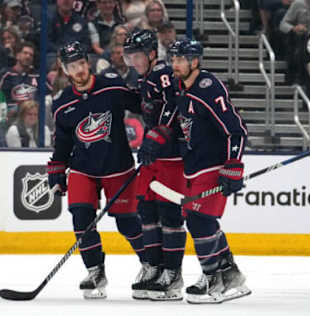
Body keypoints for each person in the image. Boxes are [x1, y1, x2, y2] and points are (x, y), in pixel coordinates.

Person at [48, 41, 146, 299]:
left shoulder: (111, 85)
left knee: (127, 223)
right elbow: (63, 143)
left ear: (87, 62)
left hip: (117, 165)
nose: (79, 70)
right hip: (83, 168)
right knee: (81, 218)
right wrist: (57, 170)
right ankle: (95, 271)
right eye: (72, 66)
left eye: (81, 63)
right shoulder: (61, 104)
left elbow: (142, 106)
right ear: (65, 70)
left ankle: (151, 266)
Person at [167, 39, 251, 304]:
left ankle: (213, 279)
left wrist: (234, 165)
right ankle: (231, 274)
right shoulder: (182, 88)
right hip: (195, 166)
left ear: (194, 61)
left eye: (180, 59)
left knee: (199, 220)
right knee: (201, 220)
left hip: (214, 166)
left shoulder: (208, 87)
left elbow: (236, 130)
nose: (175, 64)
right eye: (173, 59)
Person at [123, 29, 186, 301]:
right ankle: (154, 266)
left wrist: (159, 134)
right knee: (146, 210)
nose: (134, 62)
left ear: (151, 54)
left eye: (137, 56)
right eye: (130, 57)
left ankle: (173, 273)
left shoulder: (164, 74)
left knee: (169, 212)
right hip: (153, 156)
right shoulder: (145, 77)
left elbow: (178, 104)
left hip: (172, 156)